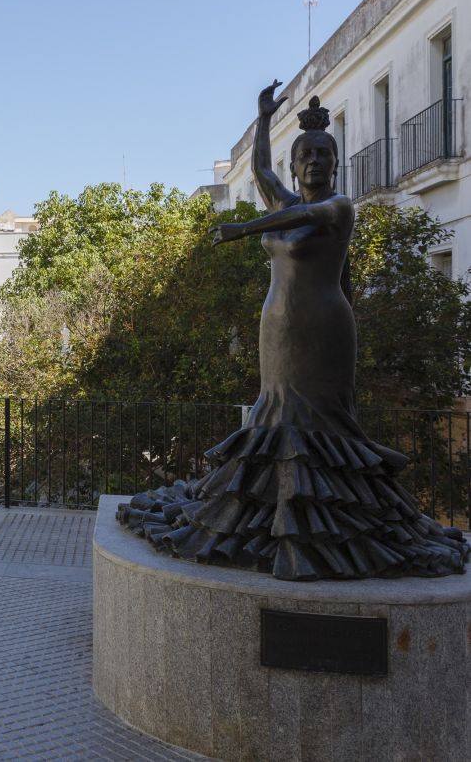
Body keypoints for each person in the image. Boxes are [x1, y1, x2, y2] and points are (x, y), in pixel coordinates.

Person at [118, 81, 468, 580]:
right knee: (275, 420)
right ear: (295, 163)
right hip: (277, 328)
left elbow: (306, 213)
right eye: (305, 155)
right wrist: (262, 120)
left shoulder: (339, 208)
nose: (314, 163)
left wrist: (245, 229)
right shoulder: (281, 196)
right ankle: (275, 521)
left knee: (322, 427)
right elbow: (260, 169)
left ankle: (327, 534)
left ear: (335, 162)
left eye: (324, 154)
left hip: (324, 328)